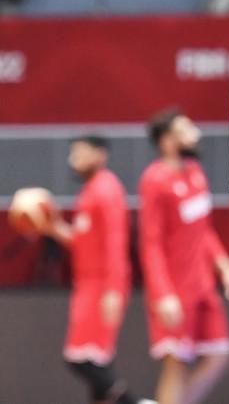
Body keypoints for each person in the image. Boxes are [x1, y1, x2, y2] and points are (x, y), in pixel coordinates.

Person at [139, 109, 229, 404]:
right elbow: (150, 244)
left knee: (220, 355)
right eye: (186, 130)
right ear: (167, 141)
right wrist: (163, 294)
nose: (195, 134)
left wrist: (226, 268)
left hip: (203, 286)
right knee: (176, 363)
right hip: (175, 289)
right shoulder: (154, 180)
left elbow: (204, 231)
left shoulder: (196, 172)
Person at [45, 136, 149, 404]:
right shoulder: (89, 191)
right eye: (72, 154)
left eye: (80, 153)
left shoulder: (107, 189)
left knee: (82, 360)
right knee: (98, 361)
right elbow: (81, 241)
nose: (73, 160)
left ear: (100, 155)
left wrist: (113, 290)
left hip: (102, 285)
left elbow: (116, 242)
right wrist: (52, 227)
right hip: (87, 285)